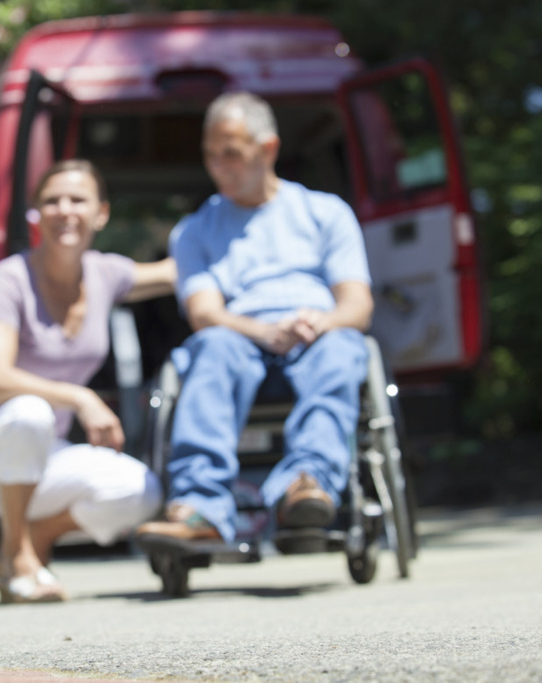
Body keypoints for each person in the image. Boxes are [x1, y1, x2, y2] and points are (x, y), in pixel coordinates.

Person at [0, 160, 173, 603]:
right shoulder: (8, 278)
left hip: (39, 459)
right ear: (36, 214)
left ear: (101, 213)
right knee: (29, 411)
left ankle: (27, 539)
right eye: (51, 200)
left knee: (140, 490)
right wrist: (80, 398)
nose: (64, 209)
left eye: (78, 199)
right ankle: (18, 560)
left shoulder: (106, 273)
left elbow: (177, 271)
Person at [136, 92, 374, 545]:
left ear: (268, 149)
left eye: (232, 154)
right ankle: (200, 505)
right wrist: (264, 331)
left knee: (345, 344)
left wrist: (319, 322)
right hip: (239, 339)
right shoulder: (193, 231)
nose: (218, 166)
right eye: (210, 155)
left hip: (314, 336)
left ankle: (306, 482)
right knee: (210, 346)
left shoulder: (326, 213)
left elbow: (357, 305)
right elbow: (205, 313)